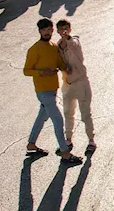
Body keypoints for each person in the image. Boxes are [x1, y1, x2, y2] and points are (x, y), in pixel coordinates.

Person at [23, 18, 81, 165]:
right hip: (43, 91)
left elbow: (59, 63)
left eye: (49, 30)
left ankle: (31, 144)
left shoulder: (53, 46)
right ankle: (65, 153)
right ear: (40, 31)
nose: (47, 32)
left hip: (52, 89)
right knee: (57, 119)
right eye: (44, 30)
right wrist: (41, 72)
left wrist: (66, 67)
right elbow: (26, 71)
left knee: (42, 117)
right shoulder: (34, 49)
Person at [55, 19, 94, 154]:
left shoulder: (74, 41)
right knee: (68, 113)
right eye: (61, 29)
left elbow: (73, 43)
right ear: (57, 31)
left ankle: (91, 140)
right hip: (67, 84)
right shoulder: (58, 46)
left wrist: (68, 38)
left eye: (66, 28)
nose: (63, 32)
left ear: (70, 29)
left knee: (85, 114)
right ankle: (68, 140)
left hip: (81, 82)